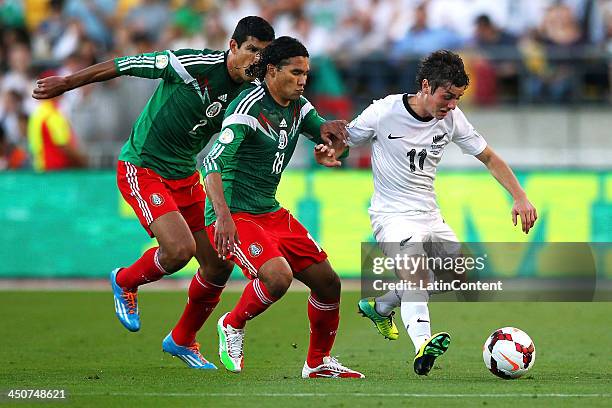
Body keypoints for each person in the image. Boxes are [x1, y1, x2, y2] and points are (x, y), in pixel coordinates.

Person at [32, 16, 275, 369]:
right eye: (252, 50)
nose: (257, 59)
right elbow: (125, 64)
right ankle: (125, 281)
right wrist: (68, 82)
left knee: (218, 264)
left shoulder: (252, 93)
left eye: (264, 54)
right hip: (143, 167)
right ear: (233, 46)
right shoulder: (192, 64)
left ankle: (182, 339)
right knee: (178, 250)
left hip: (185, 174)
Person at [347, 50, 537, 376]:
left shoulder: (452, 118)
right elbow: (345, 138)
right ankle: (422, 344)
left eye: (458, 98)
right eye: (447, 97)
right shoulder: (384, 111)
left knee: (460, 278)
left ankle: (381, 306)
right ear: (425, 85)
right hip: (392, 216)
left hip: (429, 215)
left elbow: (490, 157)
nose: (451, 105)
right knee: (418, 275)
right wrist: (329, 149)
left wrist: (519, 196)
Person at [203, 36, 363, 378]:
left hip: (269, 212)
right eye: (295, 72)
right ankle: (232, 324)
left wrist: (332, 151)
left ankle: (317, 362)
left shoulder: (299, 106)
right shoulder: (247, 109)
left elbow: (334, 143)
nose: (303, 79)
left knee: (328, 283)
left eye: (306, 73)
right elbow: (211, 165)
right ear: (272, 71)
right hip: (234, 213)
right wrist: (223, 218)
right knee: (277, 277)